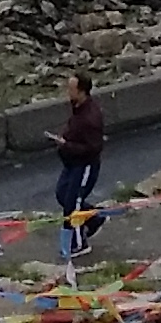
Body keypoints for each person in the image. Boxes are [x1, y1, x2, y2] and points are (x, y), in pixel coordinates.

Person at [50, 74, 110, 261]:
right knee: (62, 194)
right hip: (71, 163)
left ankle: (78, 244)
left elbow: (93, 148)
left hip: (84, 166)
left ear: (82, 91)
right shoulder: (78, 108)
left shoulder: (90, 118)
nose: (68, 92)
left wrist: (66, 145)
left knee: (72, 205)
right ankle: (95, 217)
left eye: (71, 89)